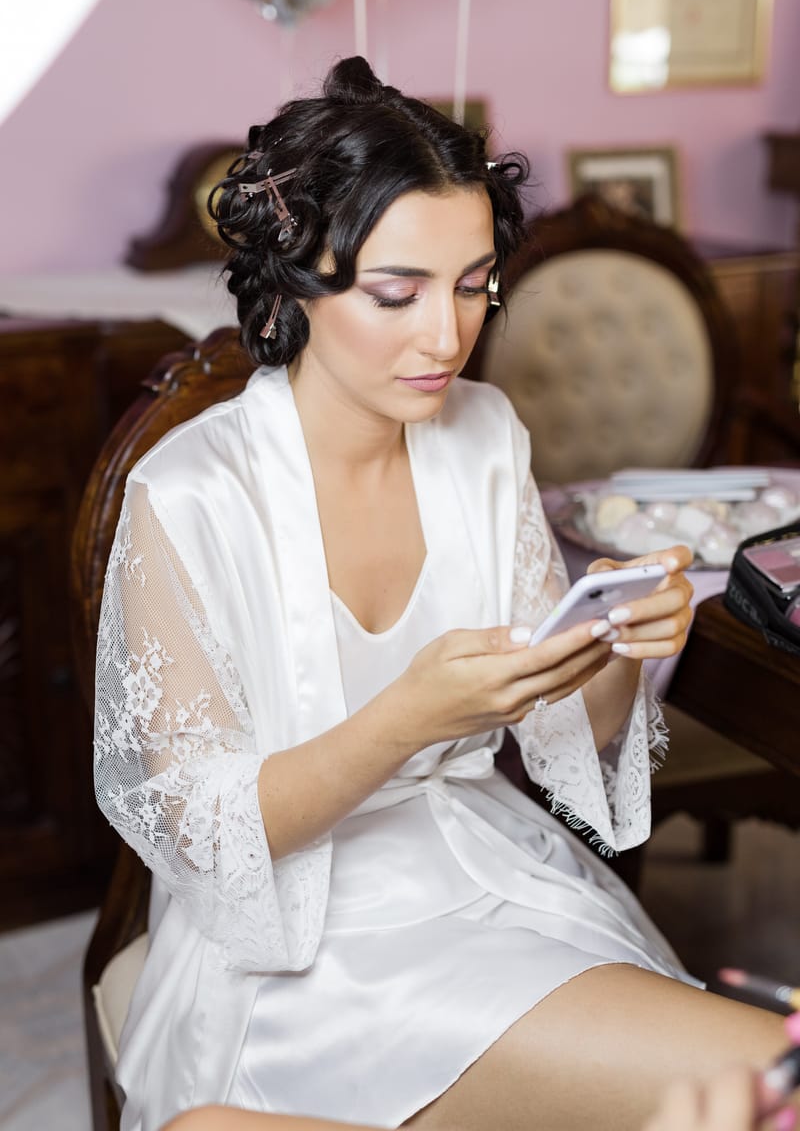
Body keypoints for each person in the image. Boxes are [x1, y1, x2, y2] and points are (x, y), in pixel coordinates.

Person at [93, 56, 792, 1131]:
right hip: (291, 953)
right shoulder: (186, 496)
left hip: (484, 884)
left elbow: (567, 732)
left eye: (472, 285)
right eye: (395, 292)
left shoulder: (482, 438)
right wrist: (405, 720)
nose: (445, 337)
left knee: (760, 1082)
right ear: (294, 283)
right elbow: (204, 839)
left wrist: (612, 649)